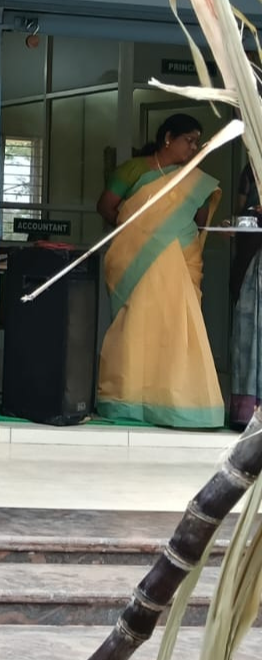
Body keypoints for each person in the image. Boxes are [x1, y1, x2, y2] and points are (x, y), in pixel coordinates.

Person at [94, 114, 223, 429]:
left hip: (181, 257)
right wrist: (139, 232)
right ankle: (127, 399)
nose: (193, 148)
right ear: (167, 138)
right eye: (188, 140)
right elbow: (106, 206)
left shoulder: (194, 177)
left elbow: (199, 218)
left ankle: (179, 403)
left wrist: (167, 227)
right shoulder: (134, 170)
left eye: (196, 142)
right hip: (137, 259)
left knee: (179, 327)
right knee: (135, 326)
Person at [229, 166, 261, 430]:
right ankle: (248, 412)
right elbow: (243, 211)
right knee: (248, 333)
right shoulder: (251, 169)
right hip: (252, 262)